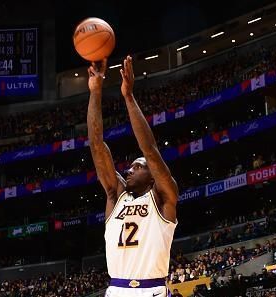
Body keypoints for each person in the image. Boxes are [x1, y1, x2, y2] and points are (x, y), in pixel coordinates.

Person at [87, 56, 178, 297]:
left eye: (138, 167)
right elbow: (96, 145)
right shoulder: (116, 195)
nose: (130, 169)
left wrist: (128, 97)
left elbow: (150, 150)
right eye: (131, 167)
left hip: (152, 290)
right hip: (116, 290)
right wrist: (96, 91)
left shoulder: (163, 197)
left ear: (152, 175)